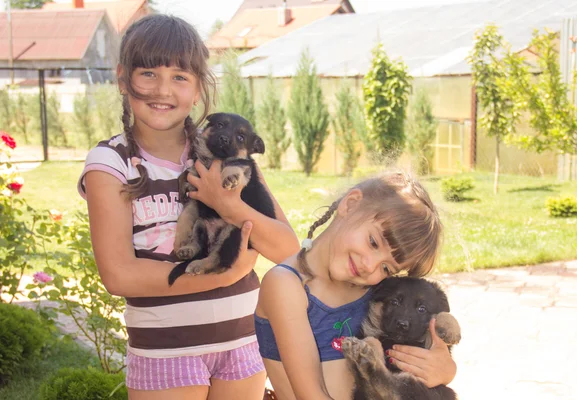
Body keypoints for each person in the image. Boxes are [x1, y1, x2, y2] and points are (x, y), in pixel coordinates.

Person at [77, 15, 299, 400]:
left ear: (198, 89)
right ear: (122, 78)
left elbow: (286, 249)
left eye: (180, 76)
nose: (163, 89)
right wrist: (221, 276)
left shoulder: (227, 156)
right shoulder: (111, 163)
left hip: (243, 342)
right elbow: (118, 276)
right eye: (148, 73)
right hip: (166, 350)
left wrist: (227, 204)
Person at [255, 173, 455, 400]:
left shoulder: (375, 294)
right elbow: (310, 395)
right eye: (373, 242)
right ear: (350, 205)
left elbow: (425, 356)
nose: (370, 266)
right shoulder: (286, 285)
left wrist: (445, 369)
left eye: (387, 268)